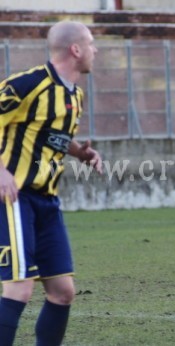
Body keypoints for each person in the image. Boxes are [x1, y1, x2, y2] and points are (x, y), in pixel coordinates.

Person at [0, 21, 102, 345]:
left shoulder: (76, 95)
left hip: (48, 201)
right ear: (75, 49)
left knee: (62, 292)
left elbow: (50, 136)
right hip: (14, 197)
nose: (95, 50)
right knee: (19, 287)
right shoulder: (26, 84)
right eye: (91, 44)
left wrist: (79, 152)